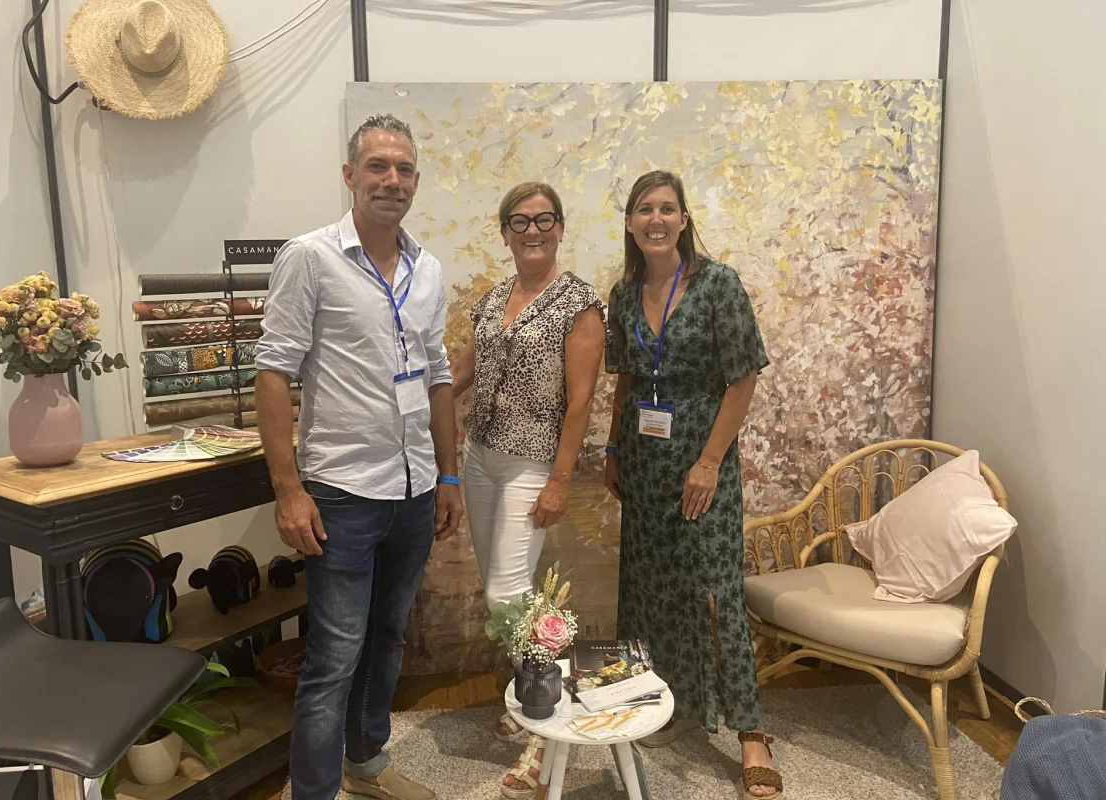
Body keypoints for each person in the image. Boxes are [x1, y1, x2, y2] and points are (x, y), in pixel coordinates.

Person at [254, 113, 464, 800]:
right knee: (334, 657)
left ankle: (367, 765)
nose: (391, 180)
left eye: (403, 169)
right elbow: (274, 371)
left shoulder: (428, 269)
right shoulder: (310, 257)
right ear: (350, 175)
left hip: (413, 488)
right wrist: (288, 490)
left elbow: (437, 377)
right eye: (378, 166)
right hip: (341, 492)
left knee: (389, 638)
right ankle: (314, 792)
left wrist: (448, 474)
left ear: (415, 182)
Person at [602, 170, 782, 800]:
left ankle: (750, 732)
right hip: (643, 464)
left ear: (683, 219)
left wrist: (708, 462)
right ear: (630, 223)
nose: (656, 219)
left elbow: (742, 378)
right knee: (648, 587)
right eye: (644, 210)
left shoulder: (717, 284)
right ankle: (661, 702)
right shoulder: (623, 294)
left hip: (702, 463)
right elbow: (626, 378)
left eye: (667, 209)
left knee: (713, 593)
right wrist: (613, 448)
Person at [451, 182, 606, 799]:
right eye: (520, 221)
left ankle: (548, 727)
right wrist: (412, 396)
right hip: (480, 458)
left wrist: (560, 480)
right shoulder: (494, 299)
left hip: (531, 465)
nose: (532, 230)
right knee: (503, 592)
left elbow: (581, 400)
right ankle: (529, 690)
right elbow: (463, 371)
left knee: (507, 592)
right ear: (505, 231)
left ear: (560, 228)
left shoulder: (580, 303)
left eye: (544, 220)